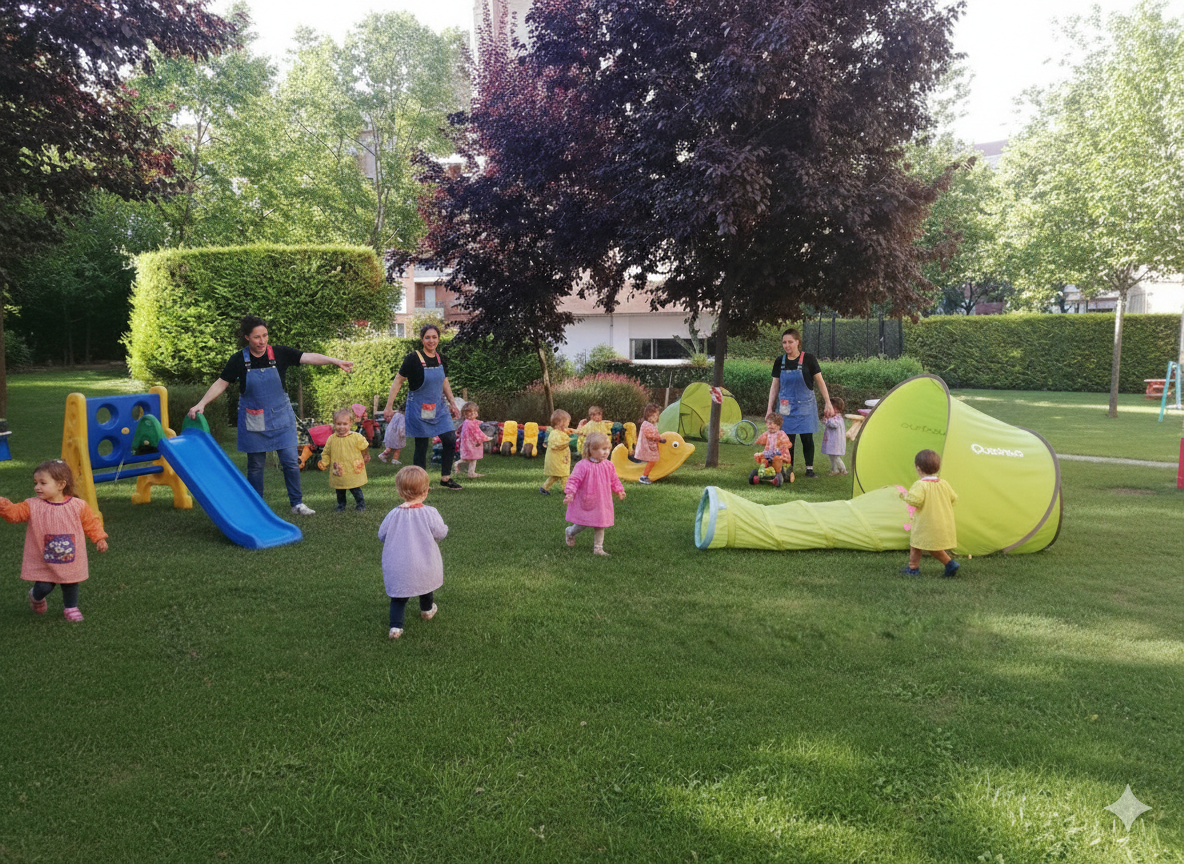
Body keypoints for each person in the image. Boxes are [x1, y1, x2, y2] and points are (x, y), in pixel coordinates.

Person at [187, 315, 354, 515]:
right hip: (255, 419)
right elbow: (221, 383)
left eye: (265, 335)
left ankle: (297, 504)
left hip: (282, 418)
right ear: (247, 337)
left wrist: (335, 361)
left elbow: (308, 356)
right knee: (256, 466)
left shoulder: (280, 353)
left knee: (291, 462)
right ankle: (256, 507)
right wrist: (201, 403)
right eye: (257, 337)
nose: (262, 341)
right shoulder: (239, 359)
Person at [0, 460, 107, 622]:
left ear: (61, 484)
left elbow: (91, 522)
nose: (37, 487)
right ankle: (35, 596)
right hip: (43, 558)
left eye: (43, 483)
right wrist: (3, 504)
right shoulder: (32, 505)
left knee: (70, 583)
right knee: (44, 586)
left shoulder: (78, 505)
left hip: (71, 557)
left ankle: (71, 608)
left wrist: (99, 538)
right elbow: (15, 514)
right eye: (35, 483)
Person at [382, 324, 463, 491]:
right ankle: (421, 483)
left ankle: (446, 478)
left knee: (449, 439)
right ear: (422, 339)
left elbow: (444, 381)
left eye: (434, 337)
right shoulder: (412, 358)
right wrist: (388, 407)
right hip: (420, 407)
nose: (431, 340)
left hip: (439, 407)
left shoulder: (441, 358)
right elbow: (398, 381)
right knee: (422, 445)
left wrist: (452, 403)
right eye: (427, 337)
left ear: (438, 339)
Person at [379, 466, 448, 639]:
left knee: (399, 596)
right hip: (424, 562)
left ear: (399, 491)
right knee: (425, 587)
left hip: (400, 564)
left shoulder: (393, 514)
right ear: (426, 491)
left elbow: (382, 535)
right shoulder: (429, 513)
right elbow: (440, 532)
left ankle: (395, 627)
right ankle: (426, 610)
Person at [766, 327, 835, 479]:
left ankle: (809, 469)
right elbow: (775, 385)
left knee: (807, 438)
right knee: (787, 439)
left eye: (790, 342)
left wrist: (828, 402)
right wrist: (770, 407)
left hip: (806, 405)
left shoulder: (809, 359)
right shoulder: (780, 361)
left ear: (797, 342)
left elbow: (820, 382)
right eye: (784, 342)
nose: (787, 345)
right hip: (785, 407)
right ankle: (788, 468)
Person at [899, 449, 960, 577]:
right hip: (942, 521)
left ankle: (949, 563)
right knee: (919, 545)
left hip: (926, 523)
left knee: (923, 545)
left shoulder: (920, 485)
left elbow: (916, 500)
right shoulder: (944, 484)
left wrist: (904, 495)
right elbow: (954, 498)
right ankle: (913, 567)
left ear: (918, 468)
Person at [563, 431, 626, 556]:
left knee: (600, 524)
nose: (605, 452)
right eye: (601, 449)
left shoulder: (609, 465)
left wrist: (619, 490)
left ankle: (598, 548)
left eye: (607, 449)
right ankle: (570, 532)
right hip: (586, 499)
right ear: (590, 450)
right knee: (582, 523)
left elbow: (614, 479)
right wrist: (570, 492)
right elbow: (574, 479)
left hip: (602, 501)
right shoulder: (583, 465)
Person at [319, 407, 370, 512]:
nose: (341, 427)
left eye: (344, 424)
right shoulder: (332, 439)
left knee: (355, 488)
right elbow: (326, 452)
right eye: (338, 424)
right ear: (334, 424)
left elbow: (364, 446)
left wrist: (366, 455)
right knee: (339, 490)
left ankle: (361, 504)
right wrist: (324, 462)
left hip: (352, 470)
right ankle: (341, 505)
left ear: (350, 424)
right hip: (339, 470)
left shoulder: (356, 437)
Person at [540, 408, 576, 495]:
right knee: (564, 475)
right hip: (558, 460)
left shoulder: (559, 432)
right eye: (567, 422)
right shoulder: (555, 434)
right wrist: (569, 442)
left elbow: (568, 431)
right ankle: (567, 491)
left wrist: (578, 432)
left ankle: (544, 488)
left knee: (555, 476)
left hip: (560, 459)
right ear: (561, 423)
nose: (568, 424)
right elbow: (557, 445)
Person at [454, 402, 492, 479]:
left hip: (466, 444)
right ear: (466, 414)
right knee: (473, 459)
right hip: (472, 444)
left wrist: (480, 422)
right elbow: (476, 433)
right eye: (471, 413)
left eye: (474, 412)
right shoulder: (470, 424)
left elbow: (475, 423)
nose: (473, 414)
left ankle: (458, 464)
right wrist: (484, 438)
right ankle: (471, 473)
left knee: (468, 458)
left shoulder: (467, 422)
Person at [753, 411, 793, 480]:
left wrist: (782, 447)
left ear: (778, 425)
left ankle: (778, 473)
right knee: (761, 457)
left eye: (771, 424)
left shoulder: (781, 434)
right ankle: (763, 471)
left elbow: (785, 443)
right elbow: (761, 439)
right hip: (768, 452)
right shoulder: (767, 433)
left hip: (778, 453)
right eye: (767, 423)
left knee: (777, 459)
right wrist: (756, 442)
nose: (769, 425)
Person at [634, 403, 666, 485]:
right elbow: (650, 435)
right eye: (654, 416)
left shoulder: (651, 424)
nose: (656, 418)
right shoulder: (646, 425)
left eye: (657, 416)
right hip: (647, 447)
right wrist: (660, 438)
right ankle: (644, 476)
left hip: (650, 446)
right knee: (652, 460)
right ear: (648, 416)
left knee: (653, 460)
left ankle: (646, 474)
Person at [822, 396, 848, 476]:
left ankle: (843, 470)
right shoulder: (834, 417)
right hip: (831, 441)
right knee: (831, 456)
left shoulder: (838, 418)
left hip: (836, 442)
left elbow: (834, 425)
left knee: (836, 456)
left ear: (836, 408)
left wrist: (827, 420)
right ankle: (834, 469)